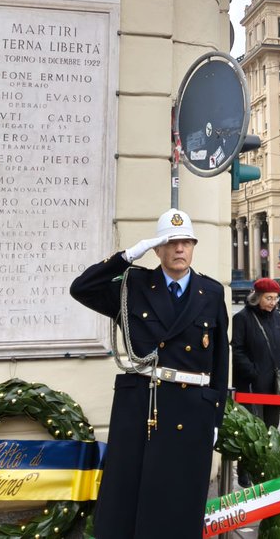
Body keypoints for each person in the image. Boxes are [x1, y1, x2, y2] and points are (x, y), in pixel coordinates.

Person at [69, 208, 228, 539]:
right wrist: (126, 257)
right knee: (130, 501)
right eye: (170, 242)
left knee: (181, 503)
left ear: (193, 246)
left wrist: (215, 419)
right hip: (144, 408)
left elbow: (220, 360)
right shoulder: (134, 285)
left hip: (192, 412)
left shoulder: (210, 293)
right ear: (157, 249)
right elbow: (81, 288)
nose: (179, 249)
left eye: (186, 241)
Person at [232, 276, 280, 431]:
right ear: (257, 297)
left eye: (275, 298)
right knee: (254, 431)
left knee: (272, 428)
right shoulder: (242, 318)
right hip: (252, 385)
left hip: (274, 384)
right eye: (268, 298)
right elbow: (237, 351)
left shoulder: (277, 317)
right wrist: (252, 372)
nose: (273, 302)